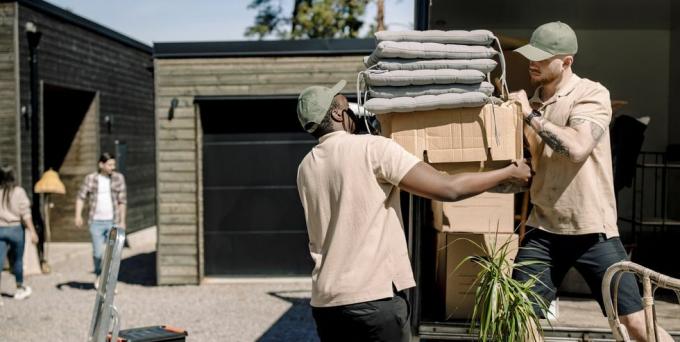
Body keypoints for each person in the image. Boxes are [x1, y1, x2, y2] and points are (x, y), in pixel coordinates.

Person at [296, 80, 532, 341]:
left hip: (327, 303)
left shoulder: (306, 167)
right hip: (374, 298)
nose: (352, 108)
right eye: (344, 103)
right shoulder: (372, 148)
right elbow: (447, 188)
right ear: (338, 114)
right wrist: (508, 172)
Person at [509, 21, 672, 341]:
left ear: (566, 61)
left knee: (637, 325)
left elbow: (577, 148)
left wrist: (529, 116)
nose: (533, 62)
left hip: (592, 230)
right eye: (531, 55)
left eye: (542, 57)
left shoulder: (591, 94)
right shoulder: (534, 101)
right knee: (518, 317)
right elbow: (541, 163)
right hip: (543, 230)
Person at [75, 153, 127, 285]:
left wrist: (122, 221)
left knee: (112, 254)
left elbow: (122, 201)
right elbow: (81, 197)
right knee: (98, 253)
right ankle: (99, 275)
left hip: (112, 221)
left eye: (113, 164)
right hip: (95, 222)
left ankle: (109, 282)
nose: (112, 167)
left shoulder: (118, 178)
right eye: (109, 164)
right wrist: (78, 215)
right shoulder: (91, 179)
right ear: (101, 165)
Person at [0, 165, 39, 303]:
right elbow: (26, 214)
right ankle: (19, 288)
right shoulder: (19, 191)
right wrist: (33, 231)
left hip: (0, 229)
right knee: (17, 260)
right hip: (16, 229)